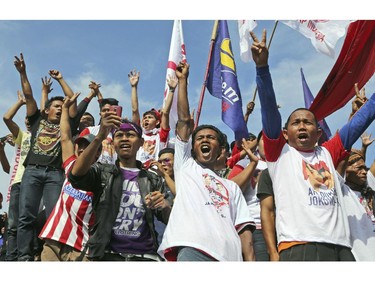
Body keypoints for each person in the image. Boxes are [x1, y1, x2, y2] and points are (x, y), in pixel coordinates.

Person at [249, 29, 375, 261]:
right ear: (285, 134)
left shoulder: (329, 152)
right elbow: (268, 108)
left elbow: (362, 119)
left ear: (319, 133)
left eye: (308, 122)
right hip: (299, 246)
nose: (303, 126)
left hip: (341, 249)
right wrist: (262, 69)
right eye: (296, 123)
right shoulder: (281, 154)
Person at [157, 61, 255, 261]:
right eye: (199, 138)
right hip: (194, 250)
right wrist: (183, 81)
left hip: (230, 258)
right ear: (191, 147)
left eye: (211, 138)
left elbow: (244, 230)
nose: (204, 140)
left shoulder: (231, 187)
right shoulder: (186, 166)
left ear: (220, 149)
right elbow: (184, 121)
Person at [68, 114, 172, 261]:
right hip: (107, 255)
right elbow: (76, 177)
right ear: (114, 143)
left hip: (145, 257)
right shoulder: (103, 172)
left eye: (130, 135)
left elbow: (169, 219)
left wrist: (164, 206)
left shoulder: (153, 179)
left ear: (141, 142)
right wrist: (99, 137)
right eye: (119, 135)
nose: (124, 138)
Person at [14, 53, 78, 261]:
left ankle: (51, 255)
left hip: (55, 174)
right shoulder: (36, 121)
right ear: (47, 110)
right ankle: (24, 257)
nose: (60, 109)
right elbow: (29, 95)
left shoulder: (66, 126)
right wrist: (23, 72)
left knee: (53, 216)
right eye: (56, 107)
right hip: (32, 170)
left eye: (62, 107)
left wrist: (60, 79)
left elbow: (72, 101)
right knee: (26, 216)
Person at [39, 93, 100, 261]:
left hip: (81, 246)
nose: (82, 150)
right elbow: (65, 136)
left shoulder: (102, 178)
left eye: (88, 148)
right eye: (80, 146)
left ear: (98, 153)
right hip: (53, 239)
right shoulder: (70, 165)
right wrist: (65, 109)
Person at [228, 132, 269, 261]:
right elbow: (230, 190)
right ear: (257, 143)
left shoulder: (284, 163)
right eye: (264, 140)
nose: (268, 143)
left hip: (283, 229)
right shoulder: (244, 163)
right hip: (256, 228)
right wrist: (252, 166)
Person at [2, 90, 33, 261]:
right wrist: (20, 103)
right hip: (19, 182)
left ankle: (26, 257)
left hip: (37, 183)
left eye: (31, 119)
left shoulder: (46, 135)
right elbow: (7, 118)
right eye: (26, 120)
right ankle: (11, 260)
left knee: (28, 222)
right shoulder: (23, 136)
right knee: (13, 225)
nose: (28, 122)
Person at [129, 69, 177, 167]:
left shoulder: (161, 136)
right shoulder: (139, 133)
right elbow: (135, 110)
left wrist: (171, 90)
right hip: (138, 172)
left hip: (155, 174)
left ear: (158, 122)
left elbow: (166, 113)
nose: (146, 119)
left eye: (150, 117)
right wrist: (134, 87)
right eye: (144, 117)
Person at [339, 150, 375, 260]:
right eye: (359, 168)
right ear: (346, 170)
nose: (364, 172)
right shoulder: (342, 192)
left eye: (365, 168)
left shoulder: (368, 187)